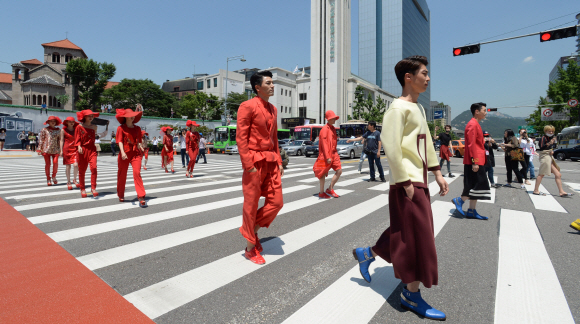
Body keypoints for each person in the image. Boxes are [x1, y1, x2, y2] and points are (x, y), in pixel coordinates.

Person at [353, 55, 448, 321]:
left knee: (408, 231)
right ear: (409, 77)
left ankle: (367, 253)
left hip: (418, 180)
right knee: (419, 238)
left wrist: (437, 172)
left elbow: (426, 141)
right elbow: (392, 146)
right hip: (407, 183)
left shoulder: (416, 108)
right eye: (424, 73)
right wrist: (405, 181)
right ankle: (410, 295)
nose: (428, 78)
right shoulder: (397, 109)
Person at [236, 70, 284, 265]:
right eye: (269, 83)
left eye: (273, 83)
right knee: (251, 204)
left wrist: (279, 162)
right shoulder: (247, 106)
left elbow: (274, 139)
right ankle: (249, 248)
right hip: (254, 162)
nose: (272, 86)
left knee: (277, 202)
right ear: (258, 87)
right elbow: (241, 138)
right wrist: (249, 166)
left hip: (271, 160)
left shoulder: (273, 109)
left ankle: (253, 231)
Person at [452, 103, 492, 220]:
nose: (486, 112)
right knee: (476, 184)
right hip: (474, 161)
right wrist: (475, 161)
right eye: (484, 110)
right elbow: (471, 145)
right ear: (476, 111)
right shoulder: (472, 125)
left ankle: (471, 211)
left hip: (478, 159)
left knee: (476, 186)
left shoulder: (476, 124)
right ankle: (459, 200)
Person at [115, 109, 147, 207]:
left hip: (135, 154)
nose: (133, 117)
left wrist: (141, 146)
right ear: (125, 117)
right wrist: (123, 152)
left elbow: (138, 141)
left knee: (137, 173)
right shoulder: (120, 128)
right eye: (130, 115)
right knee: (122, 174)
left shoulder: (137, 128)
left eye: (133, 115)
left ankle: (141, 196)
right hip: (125, 153)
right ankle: (121, 194)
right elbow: (119, 141)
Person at [532, 125, 573, 197]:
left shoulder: (551, 138)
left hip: (549, 156)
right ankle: (536, 190)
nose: (551, 132)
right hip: (545, 156)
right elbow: (541, 147)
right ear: (545, 131)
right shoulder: (543, 138)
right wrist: (550, 143)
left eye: (552, 131)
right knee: (541, 173)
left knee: (558, 174)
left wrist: (552, 148)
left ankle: (561, 191)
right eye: (549, 131)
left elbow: (551, 147)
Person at [75, 110, 107, 198]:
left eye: (92, 116)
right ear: (84, 117)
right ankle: (82, 188)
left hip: (92, 149)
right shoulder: (79, 127)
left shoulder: (94, 127)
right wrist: (78, 146)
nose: (91, 117)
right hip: (82, 150)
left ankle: (93, 188)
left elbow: (96, 136)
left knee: (94, 168)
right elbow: (77, 138)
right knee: (82, 170)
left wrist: (106, 129)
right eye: (88, 116)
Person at [314, 110, 342, 198]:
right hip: (327, 155)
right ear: (328, 119)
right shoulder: (324, 130)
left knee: (339, 170)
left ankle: (330, 189)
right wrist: (327, 156)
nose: (334, 119)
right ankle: (321, 192)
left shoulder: (333, 128)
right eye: (332, 118)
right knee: (322, 173)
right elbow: (324, 144)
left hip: (334, 153)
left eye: (334, 118)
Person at [37, 116, 62, 186]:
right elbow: (41, 139)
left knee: (55, 163)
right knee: (48, 164)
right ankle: (48, 178)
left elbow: (60, 140)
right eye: (51, 121)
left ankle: (54, 176)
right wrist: (39, 149)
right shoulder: (44, 129)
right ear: (48, 122)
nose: (53, 122)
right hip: (46, 149)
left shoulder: (58, 130)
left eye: (54, 121)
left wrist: (61, 150)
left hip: (56, 149)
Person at [60, 117, 80, 190]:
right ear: (67, 122)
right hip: (67, 149)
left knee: (76, 165)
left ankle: (75, 179)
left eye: (73, 122)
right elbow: (61, 140)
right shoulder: (63, 130)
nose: (72, 123)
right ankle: (68, 181)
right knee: (68, 166)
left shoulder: (76, 130)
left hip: (75, 149)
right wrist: (61, 150)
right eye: (70, 122)